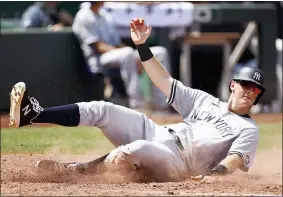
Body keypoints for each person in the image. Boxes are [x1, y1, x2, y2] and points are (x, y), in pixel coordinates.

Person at [9, 18, 265, 183]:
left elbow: (236, 159)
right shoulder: (205, 101)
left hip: (176, 161)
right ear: (233, 84)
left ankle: (74, 170)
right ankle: (34, 114)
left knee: (134, 150)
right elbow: (163, 81)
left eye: (255, 90)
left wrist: (217, 173)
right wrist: (142, 46)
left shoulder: (248, 129)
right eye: (245, 84)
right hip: (158, 132)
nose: (249, 91)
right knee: (103, 109)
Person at [72, 1, 171, 109]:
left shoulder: (105, 15)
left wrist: (137, 57)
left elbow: (118, 43)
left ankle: (161, 104)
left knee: (160, 52)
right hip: (98, 58)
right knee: (127, 53)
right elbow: (97, 46)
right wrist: (130, 55)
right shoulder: (83, 16)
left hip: (117, 54)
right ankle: (137, 104)